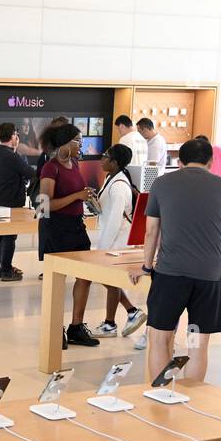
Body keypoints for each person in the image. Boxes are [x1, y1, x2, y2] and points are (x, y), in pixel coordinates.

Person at [130, 137, 221, 384]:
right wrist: (209, 254)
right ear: (210, 162)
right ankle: (192, 402)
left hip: (170, 274)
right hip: (209, 276)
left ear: (179, 162)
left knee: (161, 338)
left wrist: (147, 266)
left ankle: (159, 394)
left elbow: (151, 232)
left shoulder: (162, 184)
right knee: (196, 343)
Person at [36, 122, 99, 346]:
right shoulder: (50, 168)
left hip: (75, 226)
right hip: (56, 229)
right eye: (78, 140)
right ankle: (56, 329)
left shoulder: (74, 163)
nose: (81, 144)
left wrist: (86, 196)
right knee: (58, 281)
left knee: (85, 275)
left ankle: (76, 326)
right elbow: (44, 206)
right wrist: (76, 197)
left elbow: (77, 192)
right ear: (64, 143)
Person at [90, 143, 147, 338]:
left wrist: (101, 249)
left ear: (114, 162)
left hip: (117, 242)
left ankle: (129, 312)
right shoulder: (111, 178)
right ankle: (112, 322)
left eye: (105, 156)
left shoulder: (119, 186)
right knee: (109, 281)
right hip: (112, 239)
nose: (102, 159)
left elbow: (115, 221)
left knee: (107, 279)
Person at [0, 122, 32, 281]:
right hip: (11, 203)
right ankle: (6, 270)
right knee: (9, 237)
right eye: (16, 135)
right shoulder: (12, 156)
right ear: (13, 137)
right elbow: (29, 172)